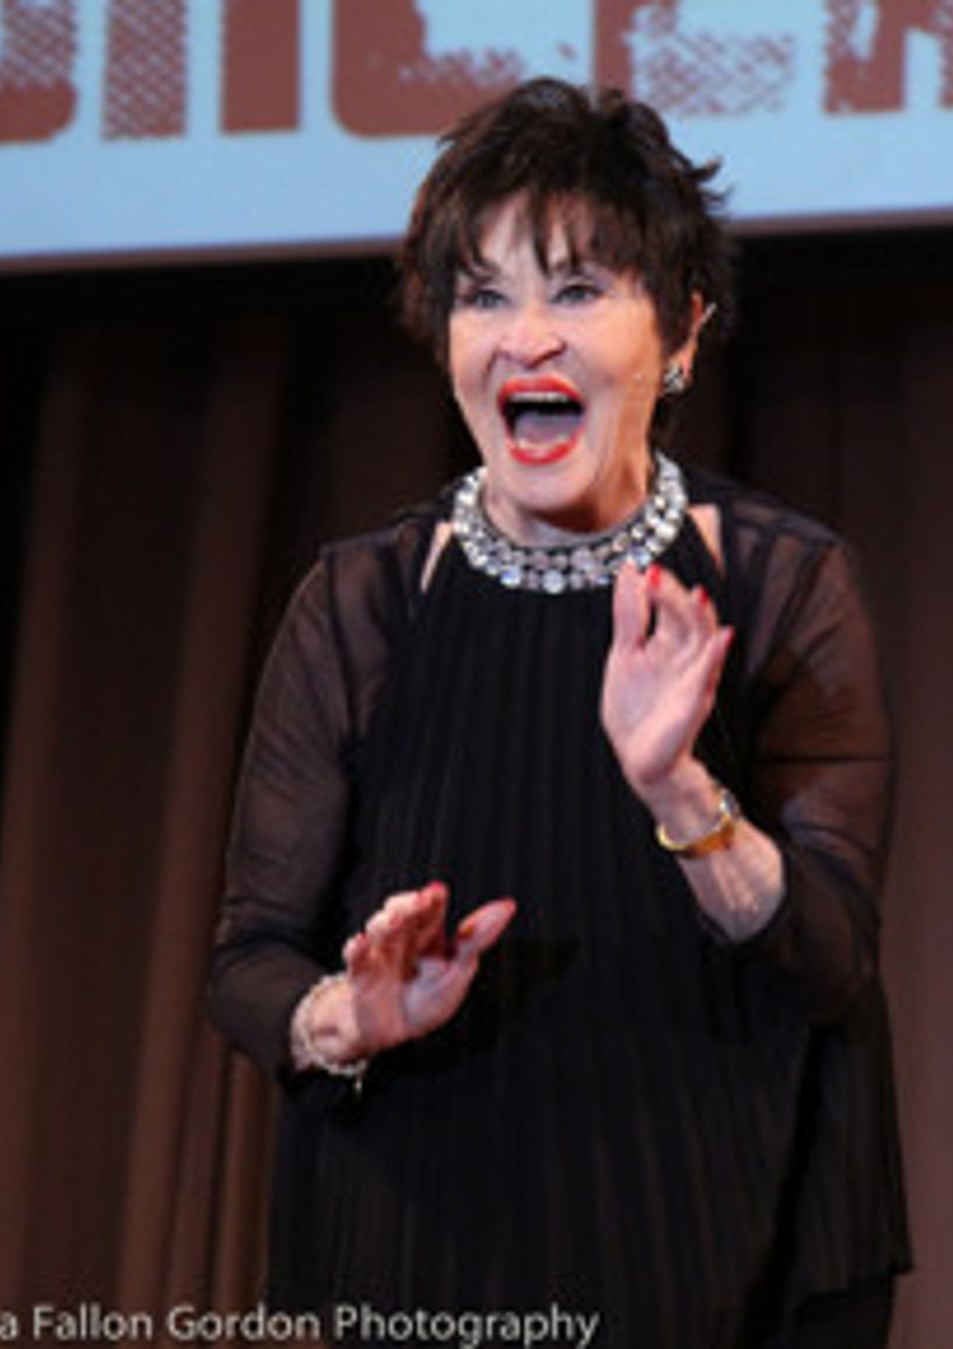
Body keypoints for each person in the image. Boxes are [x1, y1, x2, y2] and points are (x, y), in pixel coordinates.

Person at [208, 77, 910, 1348]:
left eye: (577, 290)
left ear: (681, 329)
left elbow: (826, 963)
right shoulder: (362, 606)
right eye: (482, 296)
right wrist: (344, 1017)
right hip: (418, 1253)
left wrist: (676, 789)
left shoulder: (782, 584)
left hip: (720, 1254)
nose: (523, 338)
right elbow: (250, 957)